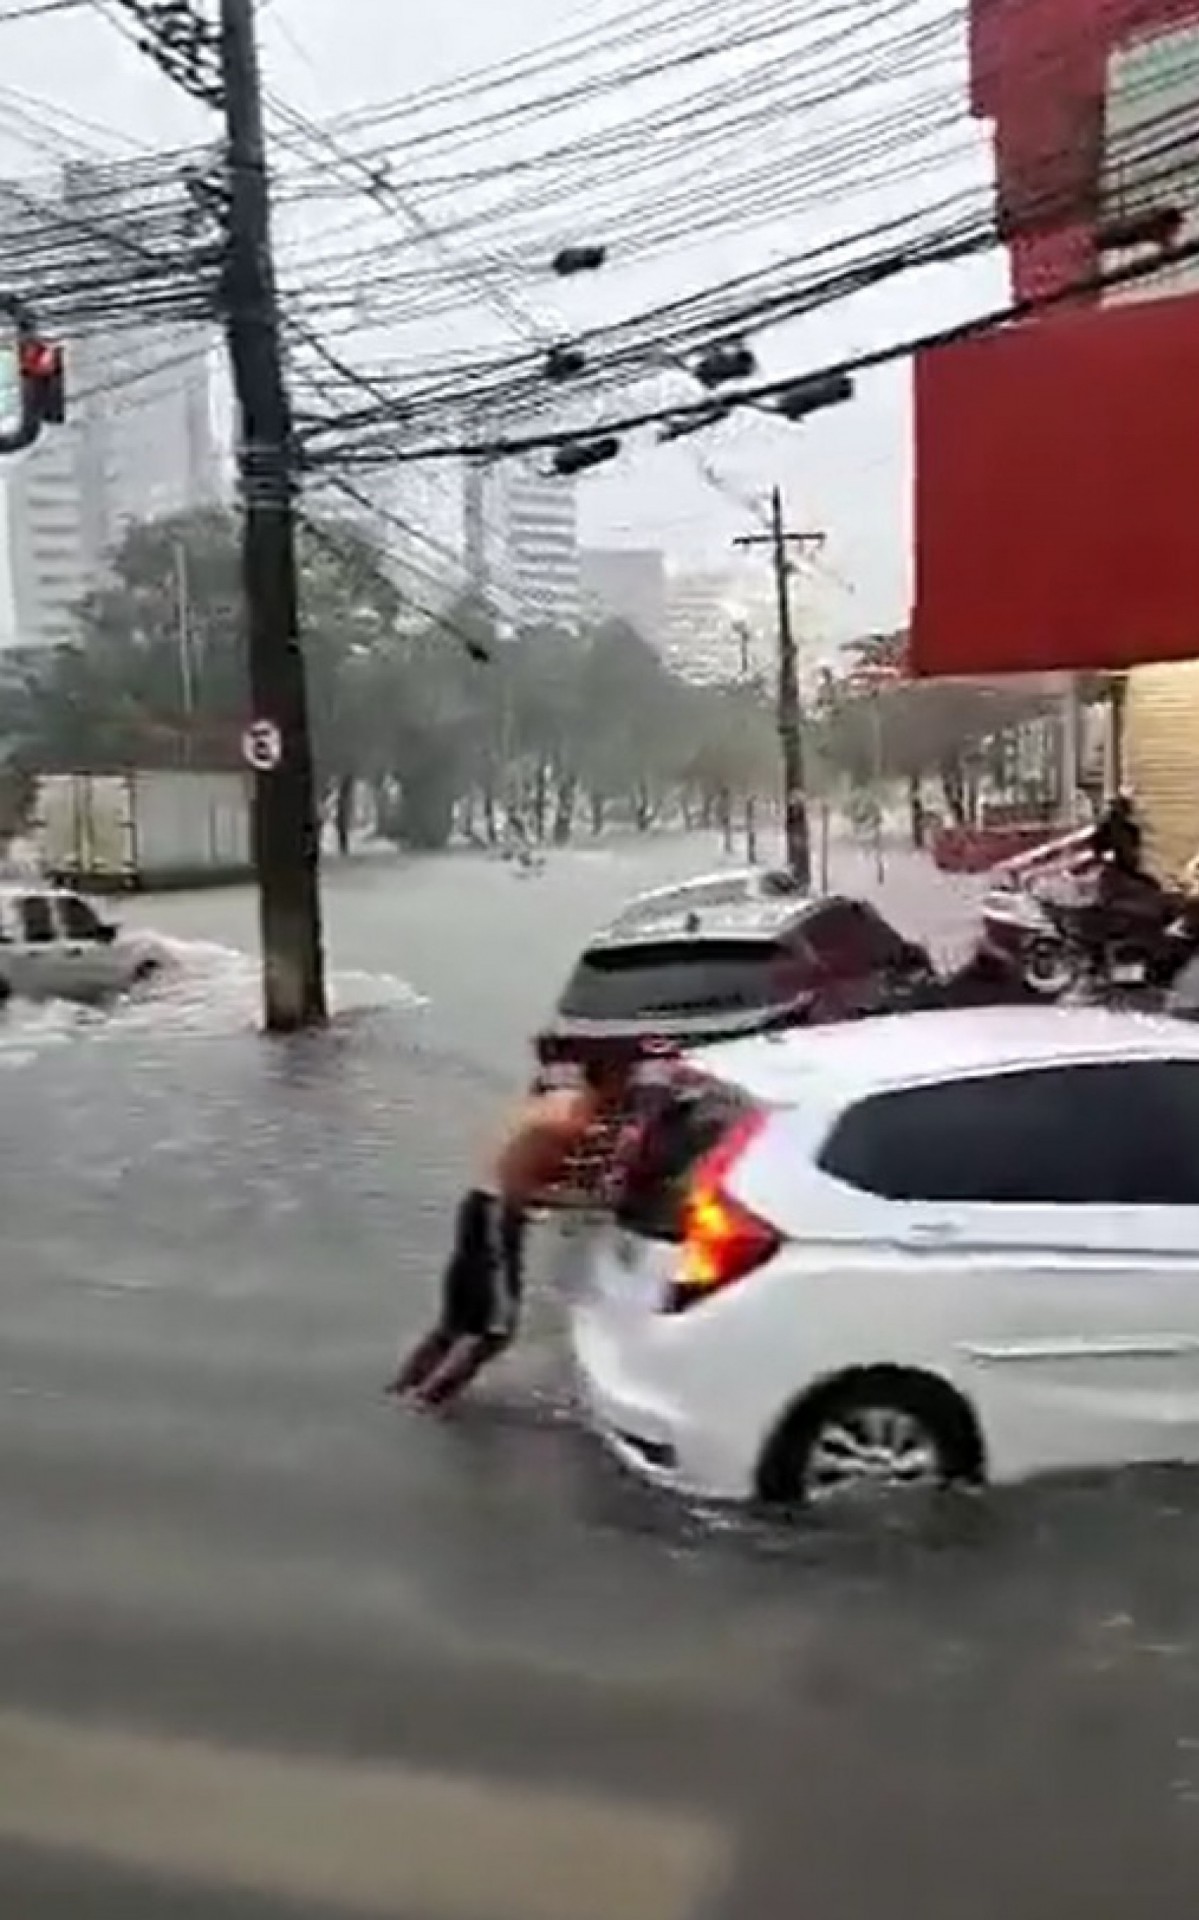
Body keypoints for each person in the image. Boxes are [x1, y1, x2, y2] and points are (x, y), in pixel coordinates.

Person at [389, 1057, 629, 1408]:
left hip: (477, 1207)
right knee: (495, 1331)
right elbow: (518, 1190)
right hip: (497, 1216)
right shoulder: (562, 1124)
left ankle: (399, 1392)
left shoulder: (555, 1106)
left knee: (455, 1323)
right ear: (609, 1085)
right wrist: (597, 1201)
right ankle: (428, 1402)